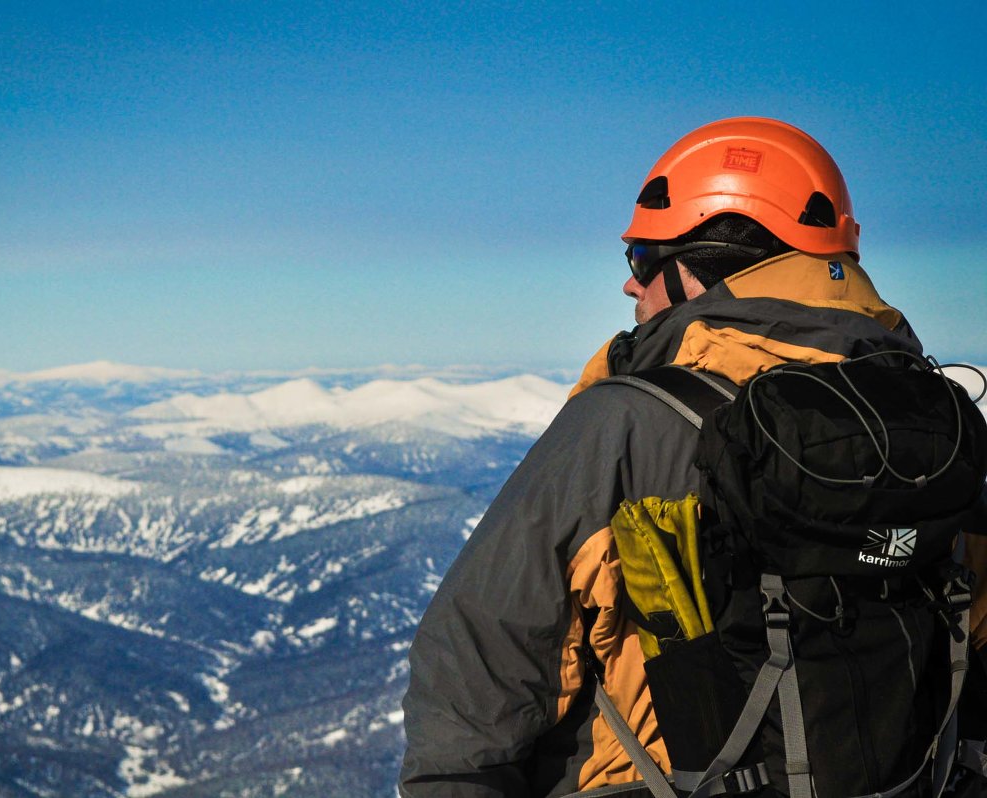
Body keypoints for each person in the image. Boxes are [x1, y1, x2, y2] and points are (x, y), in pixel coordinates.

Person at [398, 117, 987, 797]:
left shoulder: (625, 424)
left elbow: (475, 683)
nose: (630, 286)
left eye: (644, 258)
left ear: (707, 266)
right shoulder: (934, 434)